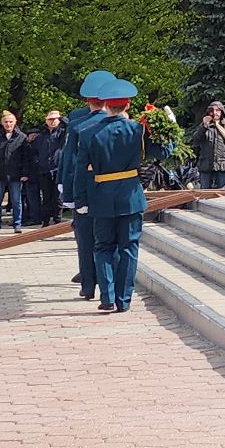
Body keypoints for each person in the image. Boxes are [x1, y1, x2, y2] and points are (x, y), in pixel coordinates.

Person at [68, 74, 167, 312]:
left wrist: (80, 200)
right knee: (129, 247)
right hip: (130, 195)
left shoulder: (88, 132)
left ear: (105, 103)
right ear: (128, 104)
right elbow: (162, 152)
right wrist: (168, 126)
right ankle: (124, 300)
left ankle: (107, 297)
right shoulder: (138, 131)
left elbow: (80, 170)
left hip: (100, 196)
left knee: (102, 247)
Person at [58, 73, 113, 300]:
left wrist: (67, 191)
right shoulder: (124, 125)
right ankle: (108, 285)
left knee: (85, 238)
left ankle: (88, 285)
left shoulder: (78, 125)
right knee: (109, 240)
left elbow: (69, 162)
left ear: (88, 100)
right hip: (112, 190)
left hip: (86, 190)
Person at [25, 110, 67, 224]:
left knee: (58, 197)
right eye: (50, 119)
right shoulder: (41, 136)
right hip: (44, 170)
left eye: (55, 119)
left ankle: (57, 219)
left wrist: (61, 116)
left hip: (58, 169)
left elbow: (70, 126)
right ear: (46, 121)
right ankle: (46, 221)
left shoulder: (63, 133)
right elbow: (33, 152)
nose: (53, 121)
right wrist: (38, 162)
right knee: (46, 197)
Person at [191, 100, 225, 191]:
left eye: (217, 110)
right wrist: (204, 126)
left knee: (222, 195)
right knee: (205, 194)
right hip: (206, 165)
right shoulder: (204, 126)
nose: (214, 113)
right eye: (212, 110)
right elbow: (196, 140)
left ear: (222, 112)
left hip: (222, 165)